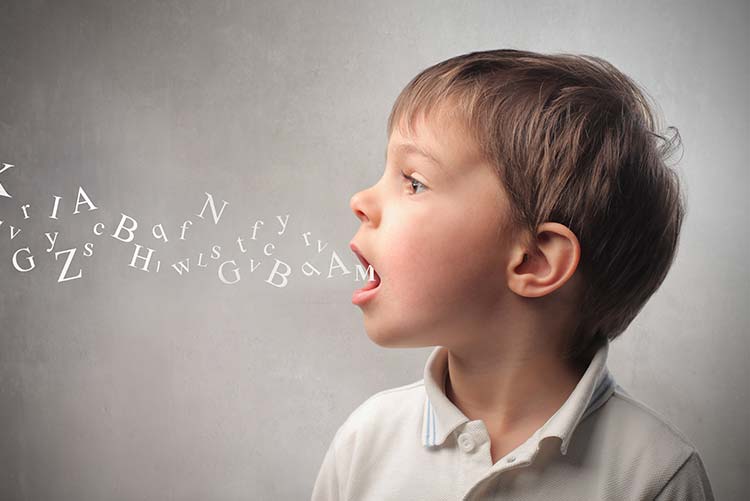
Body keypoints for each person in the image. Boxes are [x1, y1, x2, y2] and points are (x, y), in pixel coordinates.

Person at [311, 49, 714, 500]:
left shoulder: (656, 476)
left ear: (534, 261)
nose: (360, 200)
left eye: (414, 181)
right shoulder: (365, 442)